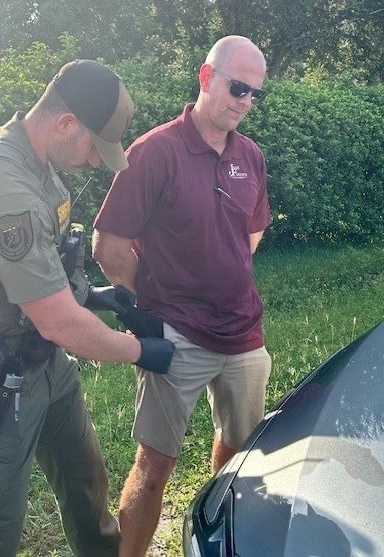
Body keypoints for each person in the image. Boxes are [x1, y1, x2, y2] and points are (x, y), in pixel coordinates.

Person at [0, 59, 173, 557]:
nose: (94, 162)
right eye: (94, 147)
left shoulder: (38, 162)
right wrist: (139, 350)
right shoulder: (4, 186)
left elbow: (49, 264)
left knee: (87, 487)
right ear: (66, 123)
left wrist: (102, 298)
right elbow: (59, 321)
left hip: (43, 362)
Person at [92, 35, 273, 556]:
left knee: (240, 457)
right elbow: (109, 247)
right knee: (154, 469)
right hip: (177, 337)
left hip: (243, 333)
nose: (245, 101)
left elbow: (250, 237)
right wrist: (154, 307)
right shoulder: (154, 152)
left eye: (255, 94)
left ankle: (217, 540)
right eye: (237, 87)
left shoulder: (251, 157)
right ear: (205, 77)